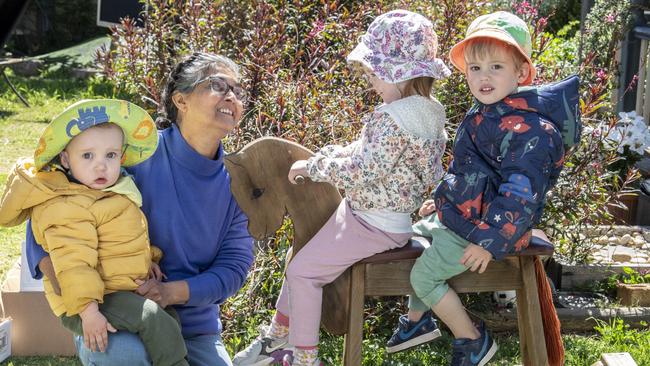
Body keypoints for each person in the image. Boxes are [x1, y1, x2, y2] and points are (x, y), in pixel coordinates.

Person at [233, 10, 451, 366]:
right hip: (386, 219)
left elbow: (365, 168)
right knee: (300, 253)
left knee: (303, 273)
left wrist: (316, 166)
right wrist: (334, 152)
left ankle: (303, 357)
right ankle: (279, 334)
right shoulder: (429, 114)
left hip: (370, 223)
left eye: (374, 75)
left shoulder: (390, 118)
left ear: (398, 74)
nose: (372, 83)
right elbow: (385, 159)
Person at [24, 53, 255, 366]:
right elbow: (53, 209)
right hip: (116, 312)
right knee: (128, 357)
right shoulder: (133, 155)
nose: (231, 96)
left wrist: (168, 292)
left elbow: (233, 267)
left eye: (239, 91)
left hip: (195, 328)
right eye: (217, 85)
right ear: (181, 100)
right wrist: (85, 306)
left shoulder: (238, 182)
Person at [386, 11, 580, 366]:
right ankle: (418, 322)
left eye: (495, 67)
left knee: (423, 275)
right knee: (413, 237)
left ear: (521, 73)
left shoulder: (530, 131)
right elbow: (469, 170)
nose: (483, 77)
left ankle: (472, 339)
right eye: (475, 69)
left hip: (492, 230)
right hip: (468, 219)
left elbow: (520, 195)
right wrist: (442, 199)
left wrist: (487, 240)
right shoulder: (487, 114)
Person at [0, 99, 190, 366]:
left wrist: (150, 260)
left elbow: (123, 239)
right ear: (65, 159)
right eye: (87, 156)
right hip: (88, 300)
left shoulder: (114, 191)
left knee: (168, 319)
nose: (101, 166)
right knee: (153, 319)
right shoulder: (67, 205)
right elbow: (73, 263)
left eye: (110, 155)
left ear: (121, 157)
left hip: (114, 290)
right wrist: (88, 313)